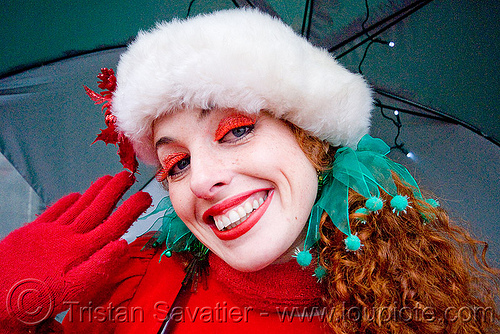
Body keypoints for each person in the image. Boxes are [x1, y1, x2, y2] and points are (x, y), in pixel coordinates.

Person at [0, 8, 498, 334]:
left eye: (236, 131)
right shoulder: (132, 288)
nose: (201, 180)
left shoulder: (413, 308)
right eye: (177, 163)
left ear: (313, 141)